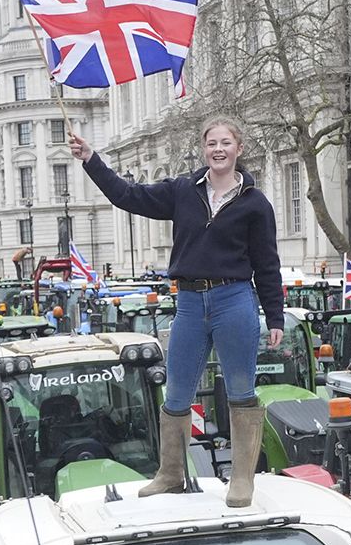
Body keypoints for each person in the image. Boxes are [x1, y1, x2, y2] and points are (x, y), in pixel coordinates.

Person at [70, 118, 283, 508]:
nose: (218, 149)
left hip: (234, 299)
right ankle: (170, 473)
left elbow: (267, 262)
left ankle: (241, 480)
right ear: (204, 149)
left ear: (238, 148)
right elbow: (127, 196)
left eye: (226, 142)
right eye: (211, 143)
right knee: (177, 391)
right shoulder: (183, 191)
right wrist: (91, 160)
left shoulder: (255, 203)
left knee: (241, 391)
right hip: (188, 302)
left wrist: (275, 317)